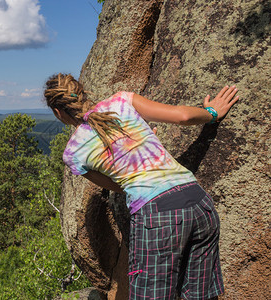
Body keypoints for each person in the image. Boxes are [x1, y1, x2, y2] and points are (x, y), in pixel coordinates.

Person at [43, 73, 239, 300]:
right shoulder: (122, 101)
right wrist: (212, 113)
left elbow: (118, 185)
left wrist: (130, 163)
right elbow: (183, 116)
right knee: (201, 296)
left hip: (158, 216)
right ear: (82, 92)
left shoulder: (73, 154)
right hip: (199, 202)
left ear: (58, 112)